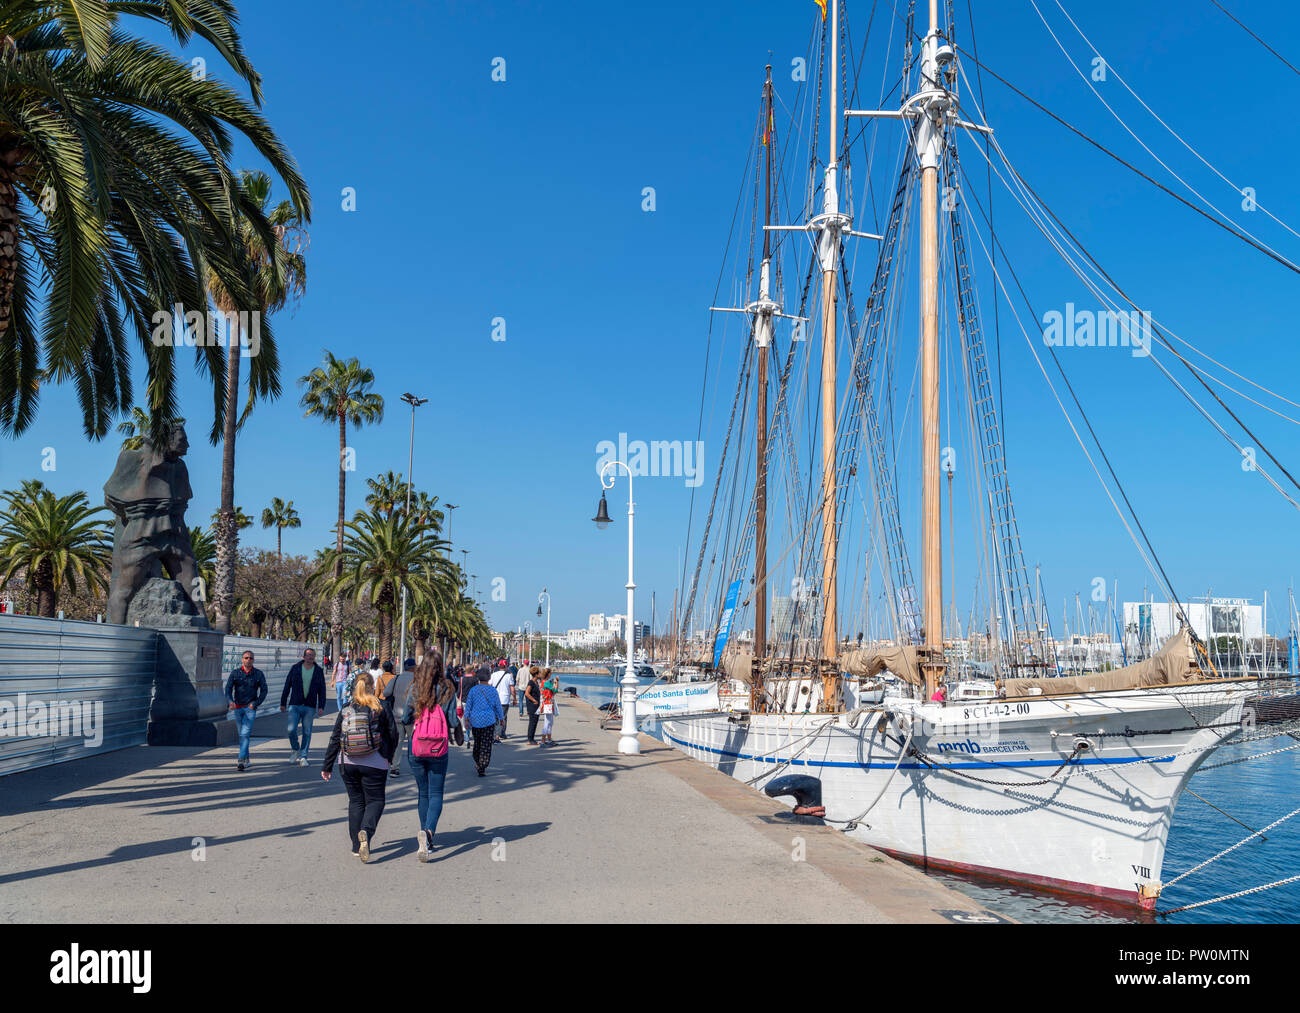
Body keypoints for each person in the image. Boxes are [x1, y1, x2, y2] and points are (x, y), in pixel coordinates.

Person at [321, 671, 398, 862]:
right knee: (375, 801)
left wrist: (327, 765)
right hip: (375, 762)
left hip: (348, 763)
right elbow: (393, 734)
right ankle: (366, 831)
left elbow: (335, 738)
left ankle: (356, 846)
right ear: (372, 686)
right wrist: (388, 756)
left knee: (356, 802)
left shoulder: (347, 708)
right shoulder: (381, 706)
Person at [402, 651, 454, 861]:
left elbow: (405, 716)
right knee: (436, 793)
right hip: (438, 748)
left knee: (423, 793)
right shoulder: (447, 688)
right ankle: (429, 833)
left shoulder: (415, 687)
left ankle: (424, 831)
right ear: (440, 667)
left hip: (417, 746)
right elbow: (451, 720)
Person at [280, 647, 327, 766]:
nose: (310, 657)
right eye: (308, 655)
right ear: (304, 656)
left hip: (309, 706)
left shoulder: (318, 670)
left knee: (307, 731)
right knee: (291, 730)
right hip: (294, 705)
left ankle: (303, 756)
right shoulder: (295, 668)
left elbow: (322, 690)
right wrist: (283, 703)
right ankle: (295, 749)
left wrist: (321, 706)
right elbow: (287, 685)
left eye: (312, 655)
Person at [225, 650, 267, 770]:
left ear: (253, 660)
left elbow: (264, 690)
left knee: (245, 734)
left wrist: (256, 703)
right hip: (238, 708)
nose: (248, 660)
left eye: (251, 658)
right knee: (242, 735)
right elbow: (228, 689)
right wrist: (230, 701)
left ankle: (241, 760)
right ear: (242, 659)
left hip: (250, 709)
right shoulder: (235, 673)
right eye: (246, 658)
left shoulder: (258, 674)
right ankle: (247, 759)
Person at [464, 668, 504, 775]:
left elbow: (468, 705)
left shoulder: (473, 690)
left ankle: (478, 761)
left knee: (477, 743)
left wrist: (466, 718)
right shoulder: (493, 690)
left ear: (478, 677)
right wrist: (501, 718)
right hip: (489, 721)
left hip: (475, 721)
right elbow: (498, 706)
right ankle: (482, 765)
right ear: (489, 677)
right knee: (486, 744)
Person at [488, 659, 514, 740]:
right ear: (506, 666)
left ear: (499, 666)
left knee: (495, 717)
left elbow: (489, 685)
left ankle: (496, 733)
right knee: (503, 717)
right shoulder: (509, 676)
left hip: (494, 699)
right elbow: (512, 689)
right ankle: (499, 734)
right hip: (505, 699)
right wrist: (515, 698)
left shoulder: (493, 675)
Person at [538, 666, 558, 746]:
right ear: (548, 674)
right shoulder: (546, 683)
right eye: (550, 673)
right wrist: (557, 682)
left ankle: (548, 739)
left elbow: (553, 692)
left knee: (550, 722)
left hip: (547, 703)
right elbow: (555, 690)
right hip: (548, 703)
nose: (551, 675)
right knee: (547, 722)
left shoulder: (544, 682)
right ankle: (543, 741)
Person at [524, 665, 542, 744]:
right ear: (536, 674)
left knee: (535, 722)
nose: (541, 674)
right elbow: (527, 693)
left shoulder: (536, 682)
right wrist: (534, 700)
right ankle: (530, 740)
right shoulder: (531, 682)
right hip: (532, 705)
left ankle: (532, 739)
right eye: (539, 673)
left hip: (536, 705)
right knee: (532, 722)